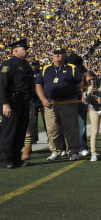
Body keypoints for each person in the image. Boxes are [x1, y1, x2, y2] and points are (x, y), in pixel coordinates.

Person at [35, 46, 83, 161]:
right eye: (55, 53)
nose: (57, 55)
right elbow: (38, 84)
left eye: (60, 53)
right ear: (52, 55)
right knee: (52, 129)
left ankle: (73, 151)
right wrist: (42, 99)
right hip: (50, 102)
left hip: (68, 101)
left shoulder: (72, 68)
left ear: (64, 55)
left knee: (70, 128)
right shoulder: (46, 69)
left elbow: (81, 82)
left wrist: (80, 95)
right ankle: (55, 151)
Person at [0, 38, 34, 169]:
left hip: (23, 102)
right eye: (24, 49)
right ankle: (5, 159)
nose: (26, 50)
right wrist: (5, 104)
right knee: (9, 131)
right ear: (15, 50)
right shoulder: (8, 64)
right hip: (12, 102)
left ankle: (16, 159)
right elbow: (2, 86)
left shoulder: (26, 65)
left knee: (20, 131)